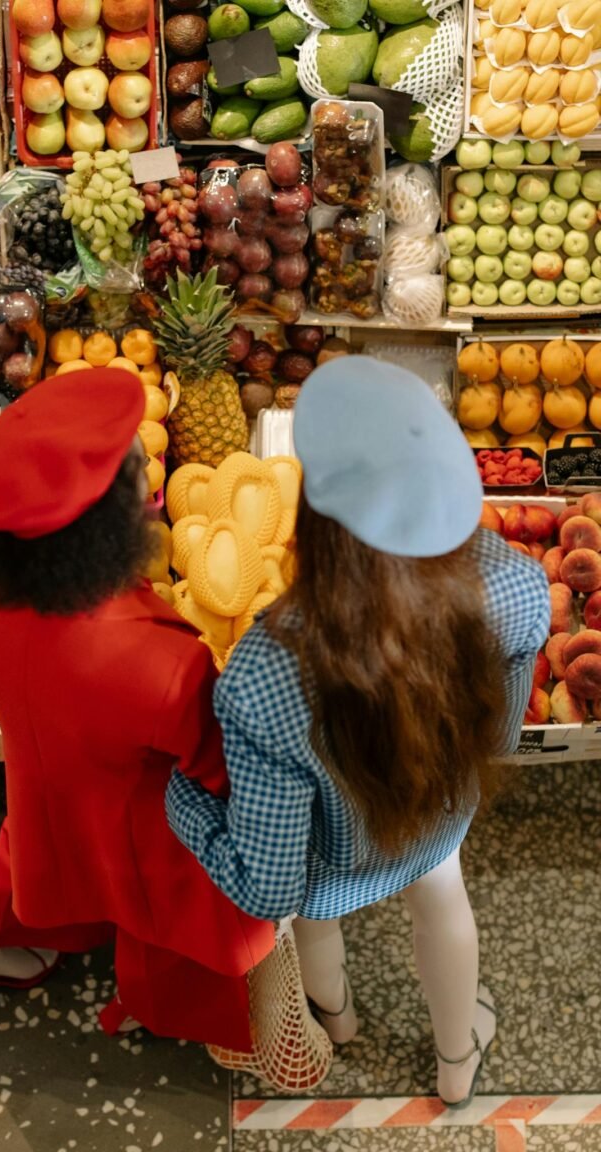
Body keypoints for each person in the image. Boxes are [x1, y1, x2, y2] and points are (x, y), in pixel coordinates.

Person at [166, 356, 551, 1108]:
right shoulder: (515, 584)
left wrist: (179, 798)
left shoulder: (264, 675)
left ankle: (336, 1020)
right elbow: (497, 737)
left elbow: (267, 883)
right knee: (444, 904)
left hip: (326, 869)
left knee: (315, 919)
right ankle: (456, 1059)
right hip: (436, 823)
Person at [0, 368, 275, 1049]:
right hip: (140, 815)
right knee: (168, 912)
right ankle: (156, 1007)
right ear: (100, 532)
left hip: (38, 762)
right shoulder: (160, 661)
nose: (150, 468)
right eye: (136, 472)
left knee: (35, 849)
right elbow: (217, 770)